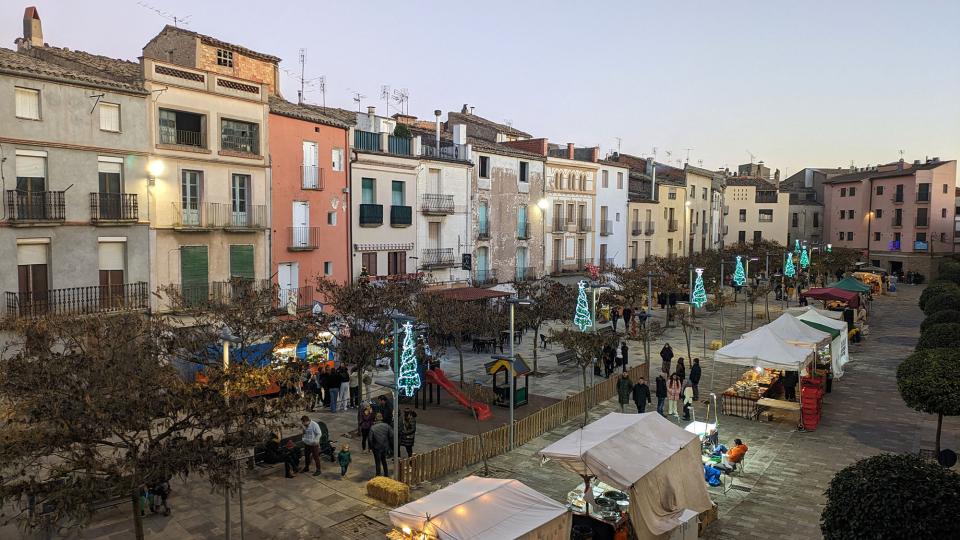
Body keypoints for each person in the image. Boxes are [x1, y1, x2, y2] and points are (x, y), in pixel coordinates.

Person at [369, 413, 393, 477]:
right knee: (384, 460)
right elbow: (391, 435)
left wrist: (371, 447)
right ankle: (386, 474)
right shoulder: (386, 426)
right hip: (385, 447)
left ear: (375, 419)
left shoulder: (372, 428)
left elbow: (370, 439)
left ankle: (378, 475)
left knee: (377, 462)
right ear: (382, 418)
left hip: (376, 448)